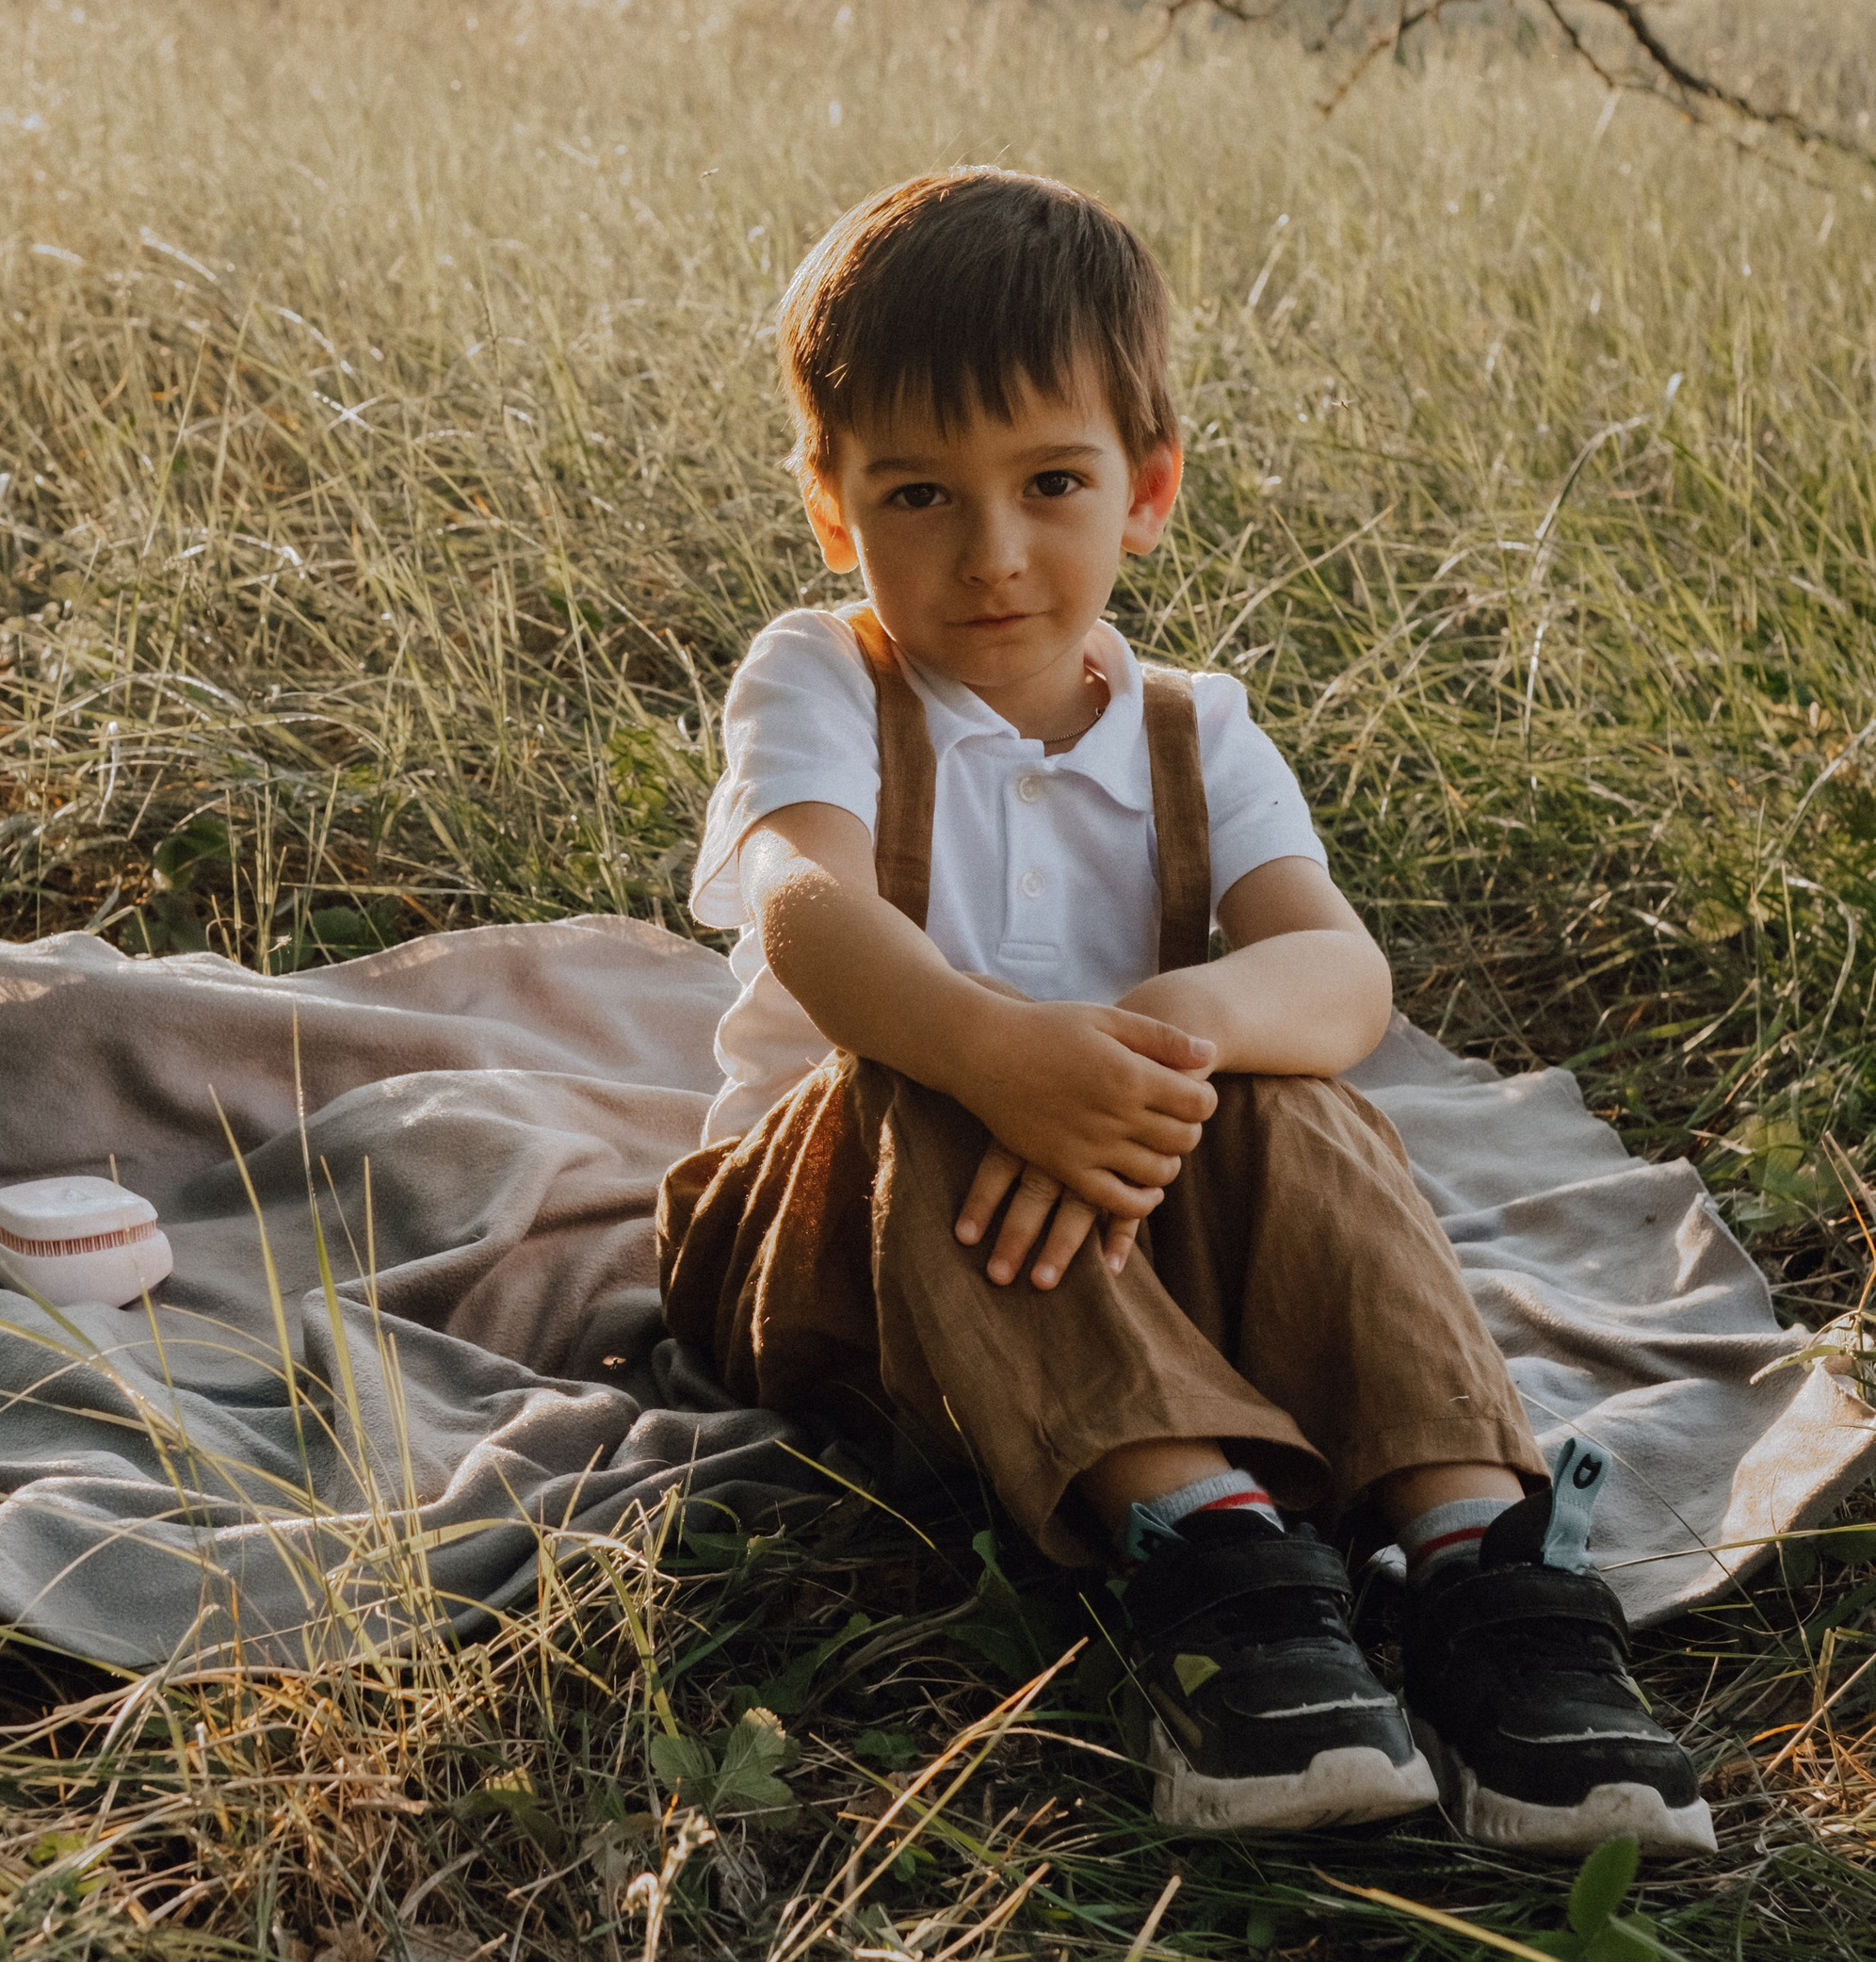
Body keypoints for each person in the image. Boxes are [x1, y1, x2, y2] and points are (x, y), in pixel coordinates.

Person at [660, 168, 1711, 1855]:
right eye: (920, 493)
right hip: (833, 1242)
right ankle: (1216, 1566)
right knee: (917, 1059)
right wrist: (1003, 1054)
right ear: (834, 506)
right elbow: (807, 909)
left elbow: (1340, 976)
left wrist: (1156, 1035)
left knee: (1300, 1101)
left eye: (1051, 483)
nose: (991, 555)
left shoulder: (1195, 728)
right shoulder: (822, 672)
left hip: (1126, 1205)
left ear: (1144, 490)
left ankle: (1474, 1563)